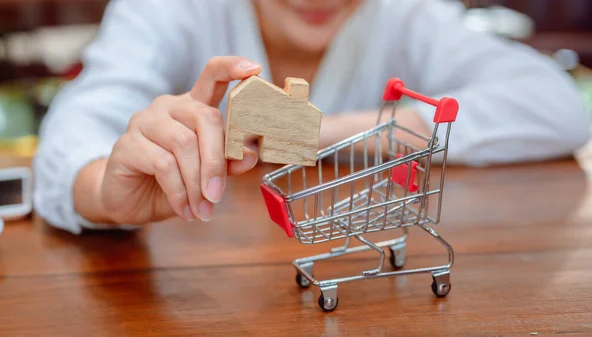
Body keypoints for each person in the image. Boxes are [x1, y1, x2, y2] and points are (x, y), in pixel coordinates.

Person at [33, 0, 590, 235]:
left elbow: (554, 103)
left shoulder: (406, 14)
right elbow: (77, 125)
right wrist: (105, 194)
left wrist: (307, 131)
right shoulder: (170, 11)